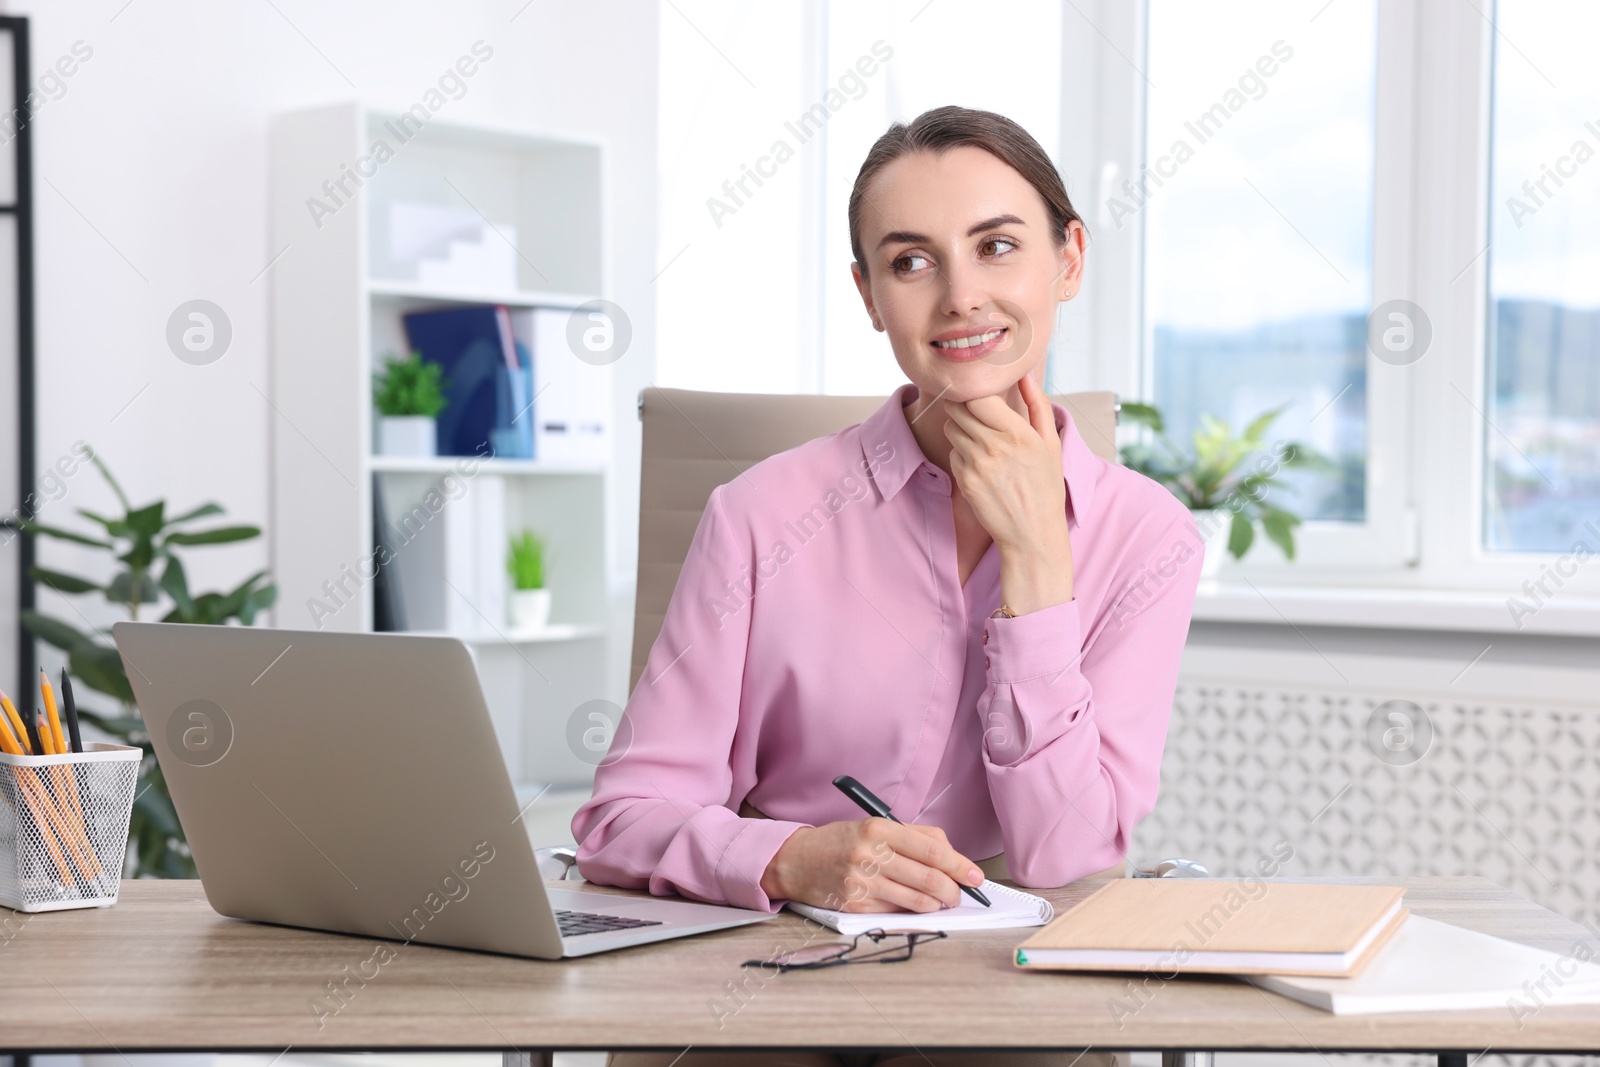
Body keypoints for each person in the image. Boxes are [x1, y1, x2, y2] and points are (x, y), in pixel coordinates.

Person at [575, 104, 1205, 1067]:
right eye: (912, 262)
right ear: (870, 294)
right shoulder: (758, 513)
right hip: (765, 949)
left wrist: (1038, 560)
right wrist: (787, 856)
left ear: (1068, 259)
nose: (962, 296)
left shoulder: (1147, 533)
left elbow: (1066, 855)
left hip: (1002, 970)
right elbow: (621, 820)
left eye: (997, 246)